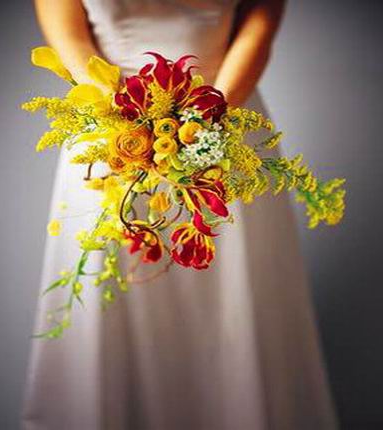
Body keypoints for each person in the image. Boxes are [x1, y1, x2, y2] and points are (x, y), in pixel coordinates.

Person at [22, 1, 338, 429]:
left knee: (235, 299)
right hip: (111, 133)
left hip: (226, 119)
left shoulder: (219, 118)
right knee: (106, 293)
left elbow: (258, 27)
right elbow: (69, 36)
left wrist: (210, 121)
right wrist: (121, 121)